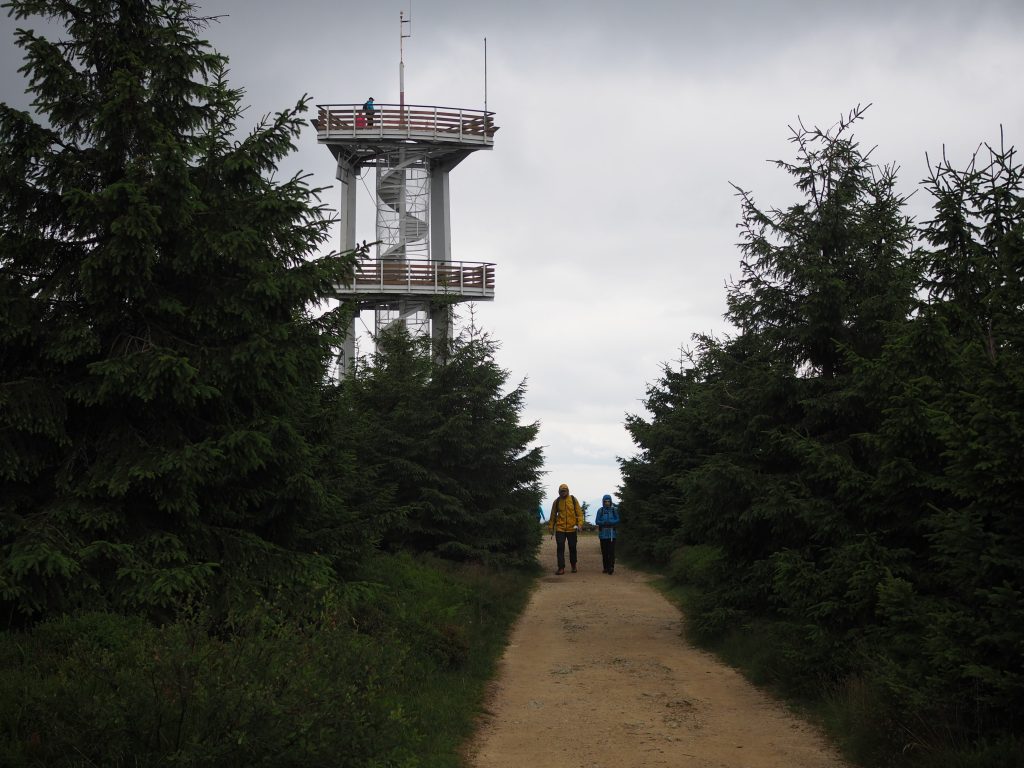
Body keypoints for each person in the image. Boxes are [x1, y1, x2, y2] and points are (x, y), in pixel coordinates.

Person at [549, 483, 584, 575]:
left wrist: (580, 524)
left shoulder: (573, 500)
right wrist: (551, 527)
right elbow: (553, 515)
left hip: (572, 528)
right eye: (561, 491)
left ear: (568, 491)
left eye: (564, 491)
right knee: (560, 548)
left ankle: (573, 565)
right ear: (559, 492)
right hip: (560, 529)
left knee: (572, 547)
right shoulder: (556, 502)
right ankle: (561, 568)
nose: (563, 493)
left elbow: (579, 514)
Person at [595, 494, 620, 574]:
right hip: (603, 535)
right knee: (605, 552)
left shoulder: (614, 510)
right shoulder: (600, 511)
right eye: (605, 501)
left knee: (611, 551)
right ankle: (605, 567)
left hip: (612, 534)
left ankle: (611, 567)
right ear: (603, 502)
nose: (607, 503)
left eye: (608, 501)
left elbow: (618, 520)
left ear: (611, 501)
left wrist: (611, 522)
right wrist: (603, 522)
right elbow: (597, 521)